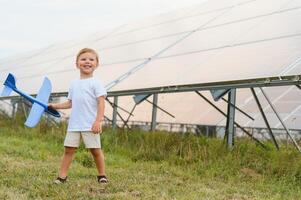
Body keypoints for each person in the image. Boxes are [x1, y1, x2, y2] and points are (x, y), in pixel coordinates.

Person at [49, 48, 108, 185]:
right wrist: (54, 106)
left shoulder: (96, 83)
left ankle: (102, 175)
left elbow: (101, 102)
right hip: (74, 124)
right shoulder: (73, 84)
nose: (87, 62)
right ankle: (62, 177)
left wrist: (98, 121)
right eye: (83, 59)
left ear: (96, 64)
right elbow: (70, 103)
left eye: (91, 59)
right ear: (77, 64)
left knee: (95, 150)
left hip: (90, 124)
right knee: (69, 150)